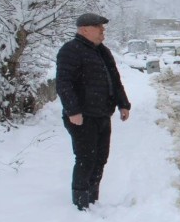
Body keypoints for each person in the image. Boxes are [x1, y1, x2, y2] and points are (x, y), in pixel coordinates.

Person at [56, 13, 131, 210]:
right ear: (85, 29)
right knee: (86, 158)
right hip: (82, 116)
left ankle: (92, 198)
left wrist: (123, 104)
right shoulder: (70, 50)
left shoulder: (102, 52)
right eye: (100, 28)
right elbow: (64, 83)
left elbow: (114, 80)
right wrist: (73, 110)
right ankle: (80, 203)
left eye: (103, 29)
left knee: (100, 158)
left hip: (102, 114)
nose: (103, 32)